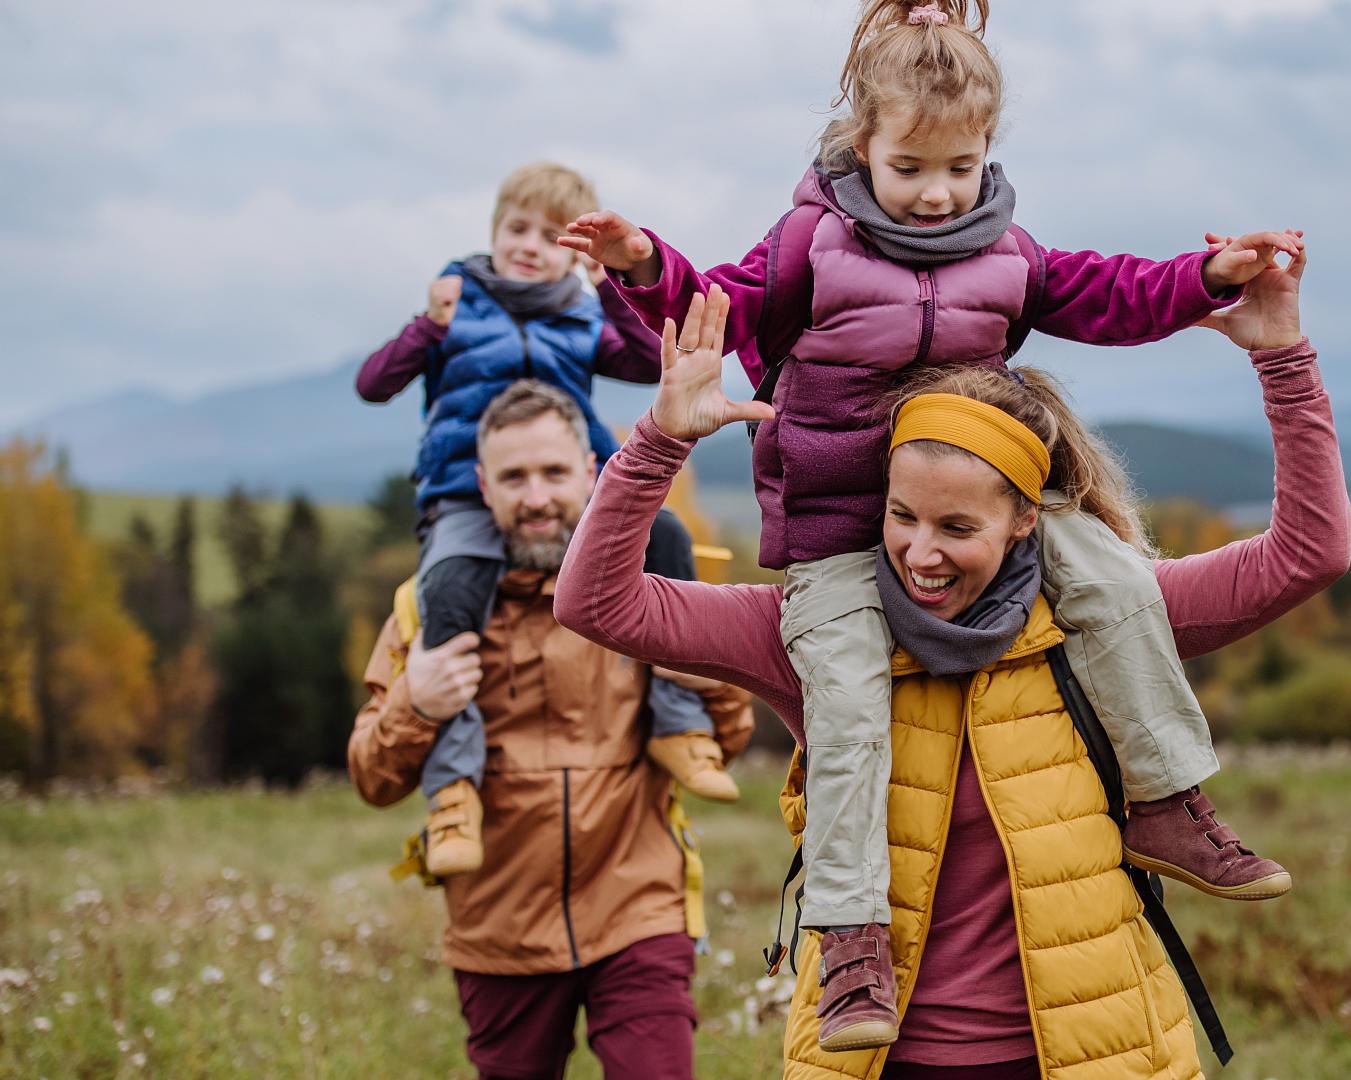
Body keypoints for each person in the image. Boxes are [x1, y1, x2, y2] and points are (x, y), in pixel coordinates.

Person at [559, 1, 1300, 1043]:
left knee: (1121, 583)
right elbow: (709, 311)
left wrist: (1208, 279)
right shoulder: (808, 246)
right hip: (838, 534)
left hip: (982, 504)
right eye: (910, 167)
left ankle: (1167, 801)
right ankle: (855, 940)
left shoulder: (1008, 249)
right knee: (853, 717)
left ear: (988, 152)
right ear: (860, 148)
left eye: (961, 166)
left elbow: (1111, 293)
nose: (937, 191)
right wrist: (644, 265)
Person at [348, 380, 755, 1080]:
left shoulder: (644, 589)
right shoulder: (426, 610)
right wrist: (416, 702)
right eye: (514, 477)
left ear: (592, 472)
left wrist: (709, 680)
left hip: (638, 912)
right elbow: (371, 777)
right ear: (483, 485)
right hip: (498, 934)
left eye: (553, 473)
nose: (536, 497)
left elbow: (729, 739)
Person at [356, 162, 738, 880]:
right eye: (517, 229)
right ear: (493, 232)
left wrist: (617, 295)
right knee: (450, 597)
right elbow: (373, 383)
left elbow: (640, 358)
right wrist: (424, 327)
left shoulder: (578, 312)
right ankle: (455, 792)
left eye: (550, 237)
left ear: (576, 255)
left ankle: (679, 723)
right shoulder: (457, 303)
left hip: (575, 486)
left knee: (670, 540)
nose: (530, 246)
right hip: (465, 491)